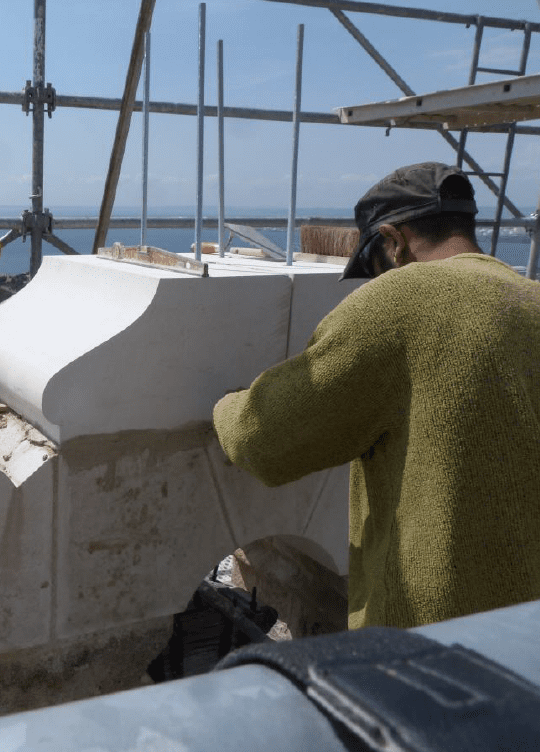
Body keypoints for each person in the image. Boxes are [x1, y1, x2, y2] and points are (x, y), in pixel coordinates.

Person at [212, 162, 540, 630]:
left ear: (393, 240)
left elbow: (261, 440)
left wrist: (227, 404)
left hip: (434, 645)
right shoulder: (531, 300)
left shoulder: (401, 301)